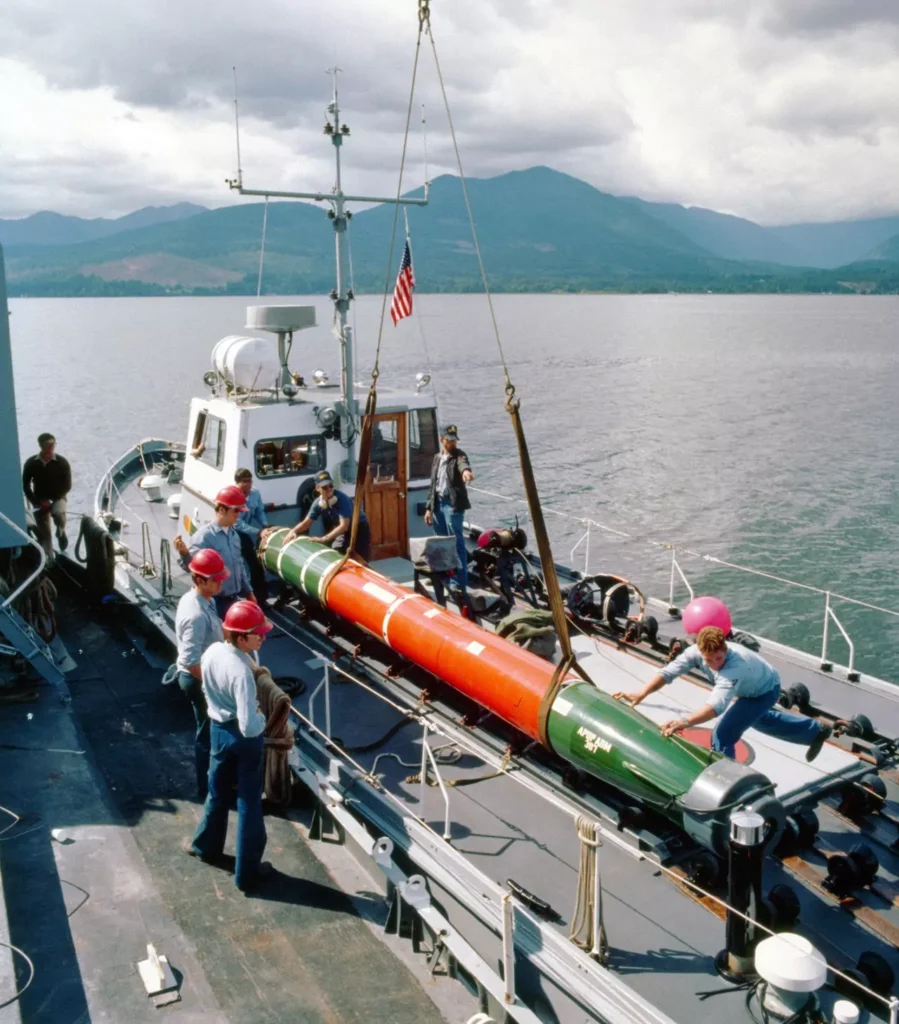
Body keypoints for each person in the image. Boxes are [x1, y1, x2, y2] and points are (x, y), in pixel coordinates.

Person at [612, 626, 832, 762]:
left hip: (766, 690)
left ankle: (728, 783)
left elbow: (716, 707)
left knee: (723, 733)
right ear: (700, 653)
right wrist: (640, 694)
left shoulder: (733, 668)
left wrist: (683, 722)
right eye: (709, 660)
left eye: (719, 657)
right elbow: (668, 672)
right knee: (759, 720)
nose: (716, 664)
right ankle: (815, 732)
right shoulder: (694, 653)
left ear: (725, 648)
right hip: (753, 684)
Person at [185, 600, 272, 893]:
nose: (262, 637)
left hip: (218, 731)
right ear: (240, 637)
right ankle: (247, 875)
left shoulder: (212, 652)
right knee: (249, 803)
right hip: (243, 739)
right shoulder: (241, 674)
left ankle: (205, 847)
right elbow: (249, 726)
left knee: (217, 792)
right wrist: (264, 720)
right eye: (257, 633)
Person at [175, 549, 228, 800]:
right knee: (207, 734)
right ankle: (207, 790)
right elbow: (190, 660)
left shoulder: (205, 600)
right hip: (198, 680)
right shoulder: (195, 614)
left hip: (205, 675)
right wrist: (213, 687)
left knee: (210, 730)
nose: (221, 582)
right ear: (199, 580)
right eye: (215, 579)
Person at [173, 486, 254, 618]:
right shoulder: (204, 537)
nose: (238, 515)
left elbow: (240, 566)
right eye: (236, 510)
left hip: (233, 601)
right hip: (215, 603)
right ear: (222, 510)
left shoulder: (234, 536)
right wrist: (184, 554)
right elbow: (194, 570)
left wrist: (249, 593)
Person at [424, 424, 475, 591]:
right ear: (442, 440)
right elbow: (433, 484)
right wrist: (429, 508)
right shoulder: (437, 458)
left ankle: (459, 582)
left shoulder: (459, 456)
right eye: (449, 440)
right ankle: (443, 575)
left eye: (454, 440)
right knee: (440, 541)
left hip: (452, 504)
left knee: (455, 543)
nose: (453, 443)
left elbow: (463, 465)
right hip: (438, 503)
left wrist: (466, 472)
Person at [284, 470, 371, 561]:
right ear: (318, 488)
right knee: (336, 552)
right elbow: (306, 523)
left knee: (361, 559)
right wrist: (294, 531)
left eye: (331, 486)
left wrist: (324, 539)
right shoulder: (318, 503)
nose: (329, 489)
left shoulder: (342, 499)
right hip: (342, 529)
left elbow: (344, 526)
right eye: (324, 487)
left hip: (359, 528)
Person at [22, 432, 72, 561]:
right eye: (48, 444)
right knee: (44, 532)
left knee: (59, 513)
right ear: (41, 445)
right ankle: (49, 558)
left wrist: (51, 500)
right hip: (39, 500)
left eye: (53, 444)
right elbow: (26, 486)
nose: (51, 447)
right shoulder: (31, 463)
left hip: (58, 497)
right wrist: (36, 501)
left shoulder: (62, 462)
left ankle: (61, 531)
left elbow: (67, 486)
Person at [233, 467, 269, 604]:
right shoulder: (233, 497)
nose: (248, 484)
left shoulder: (255, 494)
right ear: (237, 483)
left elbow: (259, 511)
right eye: (244, 482)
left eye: (250, 481)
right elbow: (237, 523)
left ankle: (261, 599)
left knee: (255, 565)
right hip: (232, 532)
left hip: (245, 533)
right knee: (235, 565)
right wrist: (258, 532)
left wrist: (265, 526)